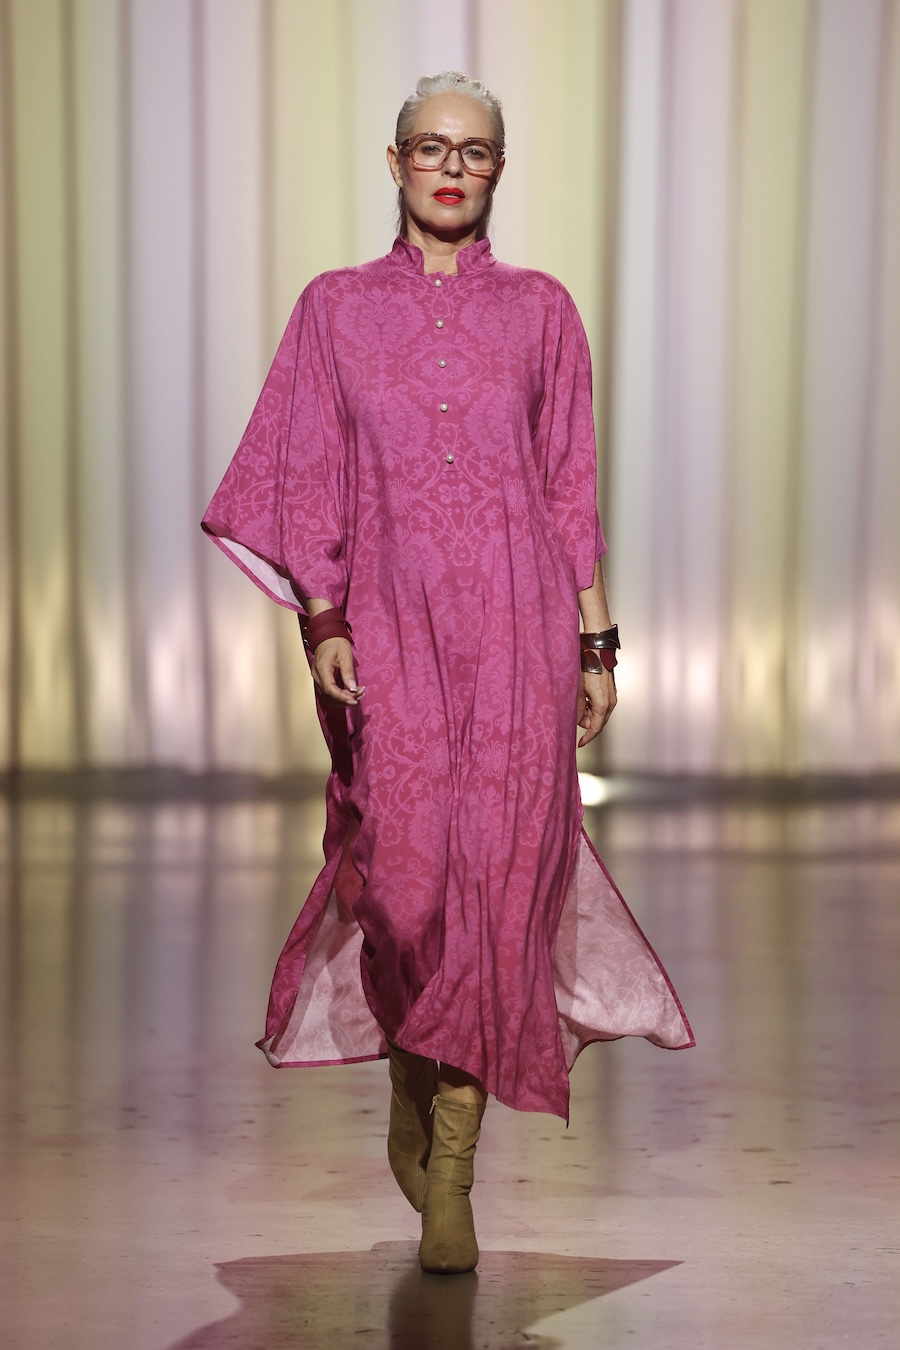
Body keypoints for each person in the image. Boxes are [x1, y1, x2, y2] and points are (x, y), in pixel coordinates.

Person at [202, 71, 694, 1276]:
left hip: (521, 638)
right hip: (388, 635)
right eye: (432, 147)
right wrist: (323, 614)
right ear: (396, 162)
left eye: (475, 151)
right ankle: (413, 1080)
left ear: (499, 170)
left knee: (499, 891)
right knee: (407, 888)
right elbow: (305, 472)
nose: (452, 168)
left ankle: (456, 1174)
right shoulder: (334, 309)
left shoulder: (542, 311)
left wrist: (596, 641)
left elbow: (568, 486)